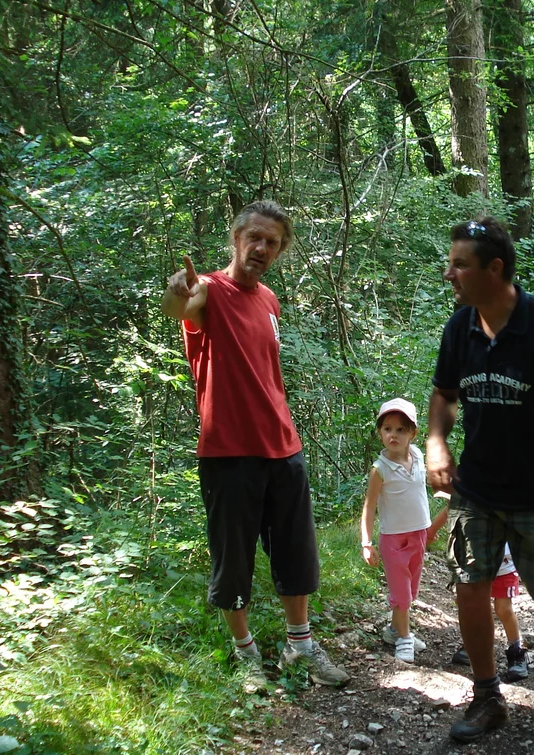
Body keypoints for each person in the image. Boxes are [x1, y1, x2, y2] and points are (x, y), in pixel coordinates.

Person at [161, 200, 349, 690]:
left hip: (283, 446)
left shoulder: (269, 301)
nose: (262, 248)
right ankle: (246, 656)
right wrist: (176, 293)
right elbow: (182, 307)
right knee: (234, 557)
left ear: (280, 250)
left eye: (273, 242)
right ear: (237, 238)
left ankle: (299, 647)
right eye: (255, 238)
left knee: (296, 553)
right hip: (228, 452)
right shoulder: (209, 289)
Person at [426, 216, 534, 742]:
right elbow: (443, 396)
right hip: (476, 489)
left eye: (459, 264)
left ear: (494, 269)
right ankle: (487, 696)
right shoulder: (459, 327)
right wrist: (436, 442)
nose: (448, 273)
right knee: (470, 587)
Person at [359, 398, 435, 663]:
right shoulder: (380, 470)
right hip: (393, 539)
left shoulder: (418, 456)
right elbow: (369, 508)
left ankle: (393, 630)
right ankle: (404, 638)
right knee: (401, 594)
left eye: (401, 429)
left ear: (413, 433)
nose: (394, 435)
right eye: (388, 429)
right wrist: (366, 543)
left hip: (418, 535)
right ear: (380, 432)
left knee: (411, 591)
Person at [441, 542, 531, 682]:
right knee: (474, 605)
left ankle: (516, 651)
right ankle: (474, 645)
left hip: (504, 565)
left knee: (503, 609)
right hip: (473, 563)